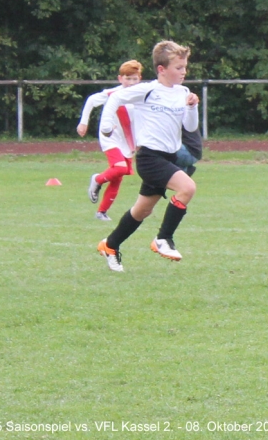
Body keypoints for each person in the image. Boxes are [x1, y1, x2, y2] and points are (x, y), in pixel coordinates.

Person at [95, 41, 200, 272]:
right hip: (149, 159)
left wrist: (192, 107)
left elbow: (190, 127)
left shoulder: (183, 93)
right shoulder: (148, 90)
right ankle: (163, 238)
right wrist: (107, 125)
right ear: (162, 69)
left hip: (169, 158)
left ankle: (110, 245)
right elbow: (115, 98)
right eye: (178, 67)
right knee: (187, 188)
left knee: (142, 211)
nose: (184, 71)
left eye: (185, 67)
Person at [78, 60, 143, 221]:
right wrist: (83, 122)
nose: (131, 82)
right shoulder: (114, 93)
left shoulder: (142, 94)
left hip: (128, 141)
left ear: (140, 79)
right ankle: (97, 180)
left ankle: (101, 212)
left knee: (118, 177)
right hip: (110, 137)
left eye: (135, 79)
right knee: (120, 168)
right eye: (128, 79)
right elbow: (91, 100)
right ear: (120, 79)